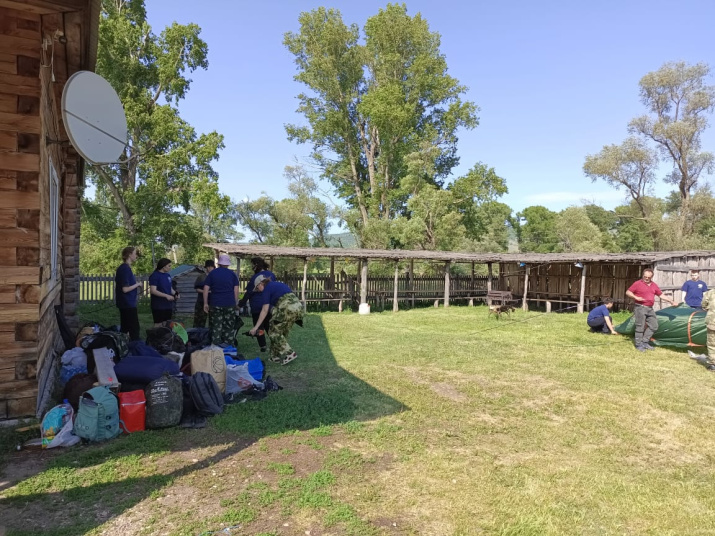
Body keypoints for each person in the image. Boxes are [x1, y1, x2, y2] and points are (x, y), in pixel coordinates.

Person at [250, 274, 304, 365]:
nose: (258, 291)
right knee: (280, 331)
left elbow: (264, 310)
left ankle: (290, 353)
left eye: (257, 288)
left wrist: (255, 328)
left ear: (260, 284)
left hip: (286, 308)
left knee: (273, 333)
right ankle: (274, 356)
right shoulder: (278, 284)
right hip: (298, 308)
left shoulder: (266, 289)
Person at [625, 268, 676, 352]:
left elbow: (661, 295)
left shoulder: (654, 285)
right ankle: (638, 344)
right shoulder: (637, 283)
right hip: (640, 307)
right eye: (645, 276)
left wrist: (671, 301)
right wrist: (636, 297)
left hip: (650, 308)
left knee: (654, 326)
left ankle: (645, 342)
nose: (646, 278)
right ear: (643, 275)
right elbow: (628, 292)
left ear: (651, 277)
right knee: (640, 326)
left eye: (648, 277)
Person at [238, 257, 276, 352]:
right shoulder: (271, 275)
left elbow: (249, 293)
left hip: (257, 305)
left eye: (252, 265)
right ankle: (275, 343)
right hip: (269, 305)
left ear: (256, 265)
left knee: (259, 326)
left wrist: (240, 304)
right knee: (269, 325)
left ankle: (263, 346)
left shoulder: (255, 277)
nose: (252, 267)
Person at [202, 254, 239, 345]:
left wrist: (205, 303)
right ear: (228, 264)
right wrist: (235, 303)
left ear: (219, 263)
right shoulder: (232, 274)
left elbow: (206, 289)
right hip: (229, 303)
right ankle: (228, 348)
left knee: (216, 326)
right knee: (229, 326)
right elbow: (236, 290)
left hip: (215, 303)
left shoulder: (212, 273)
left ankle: (215, 348)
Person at [115, 246, 142, 340]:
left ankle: (124, 347)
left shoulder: (126, 268)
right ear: (130, 255)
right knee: (134, 329)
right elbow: (125, 289)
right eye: (135, 253)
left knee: (125, 328)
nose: (136, 256)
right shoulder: (125, 269)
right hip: (127, 303)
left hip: (126, 303)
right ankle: (136, 348)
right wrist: (138, 284)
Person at [149, 258, 176, 326]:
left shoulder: (168, 276)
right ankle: (156, 336)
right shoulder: (155, 275)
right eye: (169, 266)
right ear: (163, 266)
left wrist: (176, 294)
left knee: (167, 324)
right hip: (158, 305)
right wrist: (166, 296)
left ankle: (165, 336)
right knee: (158, 324)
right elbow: (153, 290)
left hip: (168, 305)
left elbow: (170, 289)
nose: (170, 268)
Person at [193, 260, 215, 328]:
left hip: (213, 301)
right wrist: (206, 292)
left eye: (211, 267)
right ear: (206, 268)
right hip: (201, 301)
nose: (210, 268)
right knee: (199, 321)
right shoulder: (201, 277)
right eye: (209, 267)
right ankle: (197, 335)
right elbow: (197, 289)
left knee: (213, 321)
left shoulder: (216, 277)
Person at [700, 288, 715, 356]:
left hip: (712, 321)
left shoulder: (710, 293)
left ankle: (712, 363)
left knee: (712, 344)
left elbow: (704, 305)